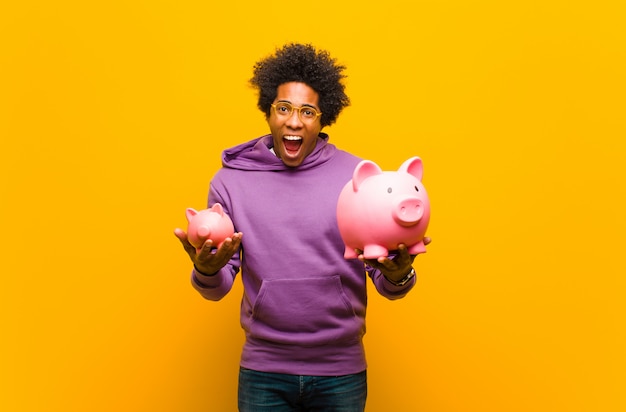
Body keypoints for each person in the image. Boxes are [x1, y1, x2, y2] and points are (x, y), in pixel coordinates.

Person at [174, 43, 430, 412]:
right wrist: (206, 269)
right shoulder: (231, 182)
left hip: (340, 371)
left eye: (308, 112)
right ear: (268, 112)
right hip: (264, 370)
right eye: (284, 108)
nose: (294, 122)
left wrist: (401, 273)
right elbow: (216, 288)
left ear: (323, 119)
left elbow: (388, 282)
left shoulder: (357, 178)